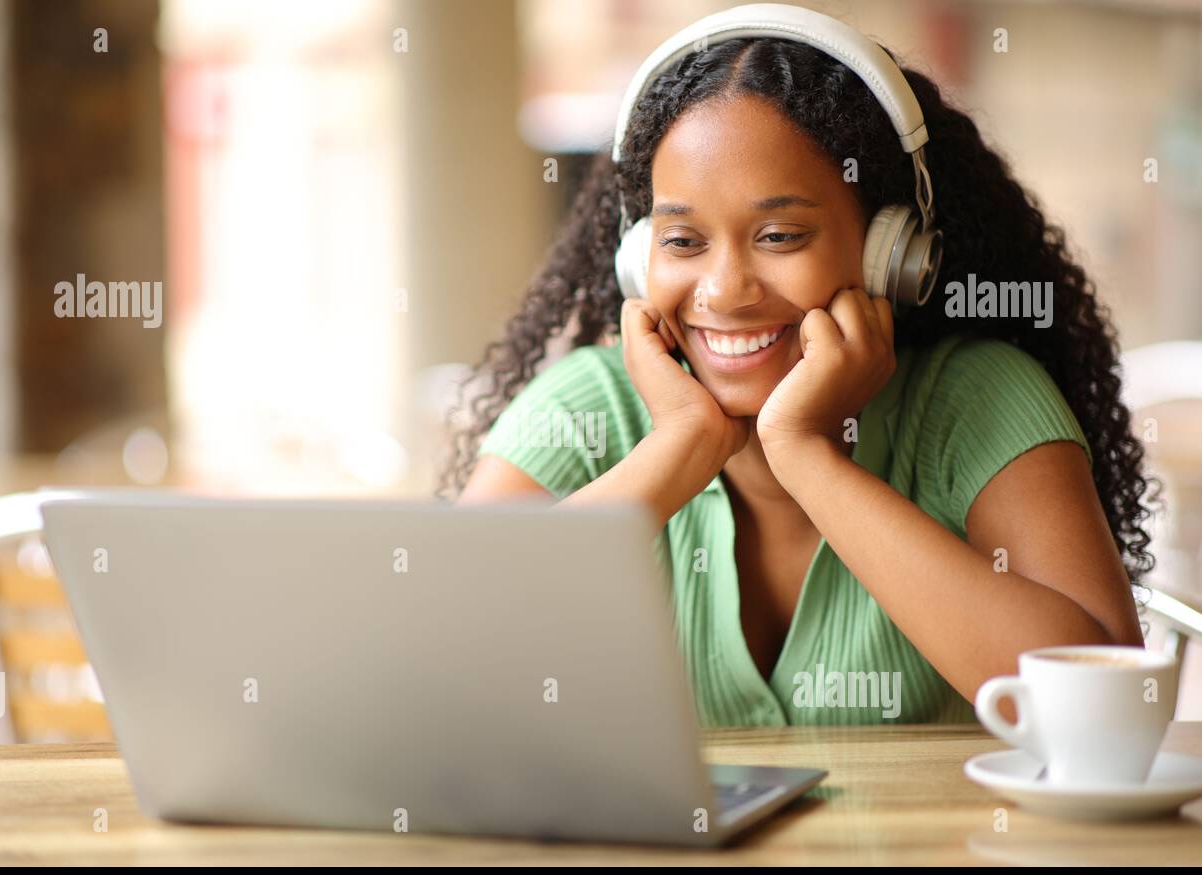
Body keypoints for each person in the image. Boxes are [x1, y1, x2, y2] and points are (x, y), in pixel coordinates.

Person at [440, 10, 1156, 727]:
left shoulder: (976, 402)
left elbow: (1102, 715)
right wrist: (677, 448)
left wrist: (808, 457)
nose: (724, 291)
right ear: (638, 259)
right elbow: (435, 662)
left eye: (780, 235)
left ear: (891, 252)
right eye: (683, 240)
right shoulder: (585, 408)